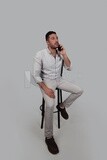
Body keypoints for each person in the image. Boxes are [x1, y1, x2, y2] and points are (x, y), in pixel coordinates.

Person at [33, 31, 84, 154]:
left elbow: (69, 67)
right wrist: (46, 89)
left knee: (79, 91)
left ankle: (62, 106)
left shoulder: (60, 52)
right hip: (46, 81)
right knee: (49, 105)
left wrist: (64, 54)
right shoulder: (40, 54)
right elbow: (35, 75)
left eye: (56, 38)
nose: (56, 40)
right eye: (52, 38)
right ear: (47, 41)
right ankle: (49, 137)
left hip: (59, 80)